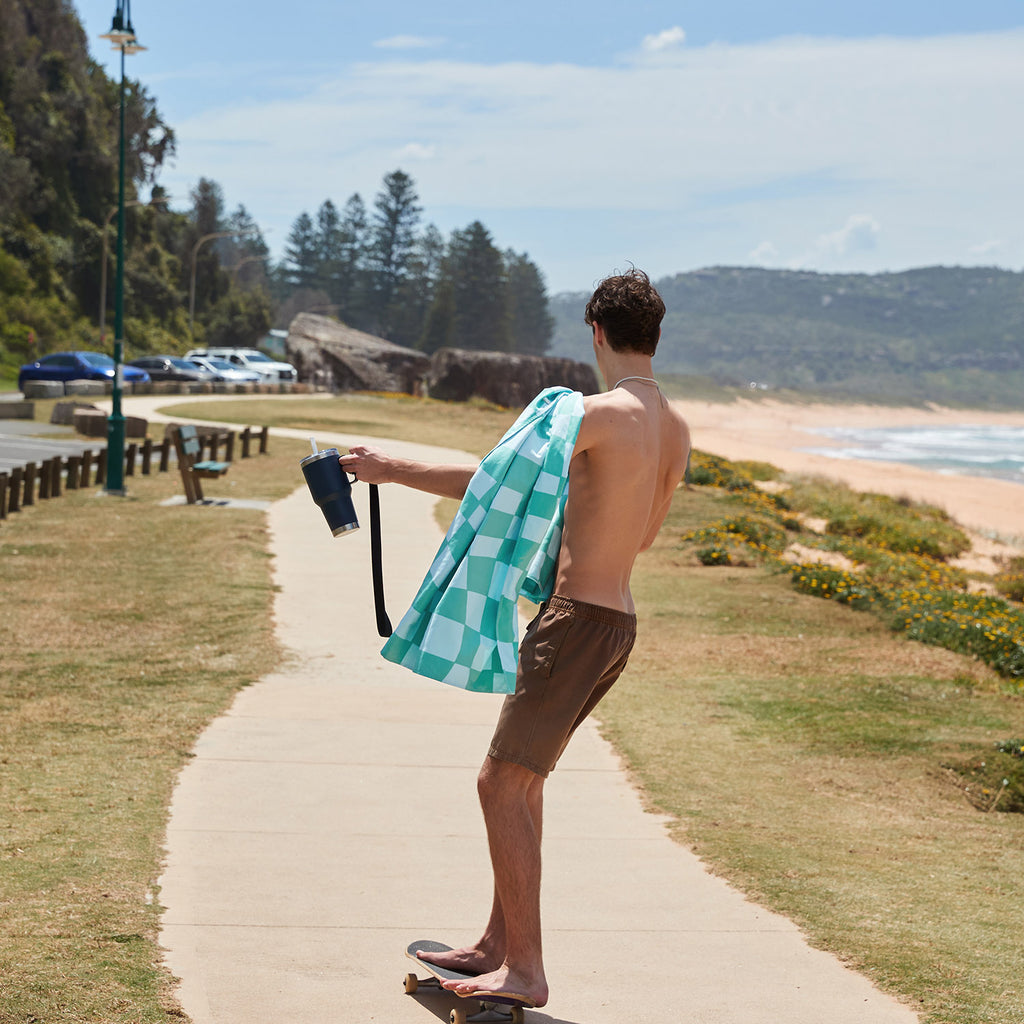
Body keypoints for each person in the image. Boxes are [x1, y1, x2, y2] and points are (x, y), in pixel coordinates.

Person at [340, 268, 690, 1008]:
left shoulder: (596, 414)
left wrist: (388, 468)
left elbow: (495, 482)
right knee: (523, 783)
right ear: (654, 336)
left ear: (596, 332)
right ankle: (496, 945)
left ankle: (526, 971)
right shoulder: (675, 429)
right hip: (618, 624)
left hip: (574, 622)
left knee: (499, 783)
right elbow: (643, 537)